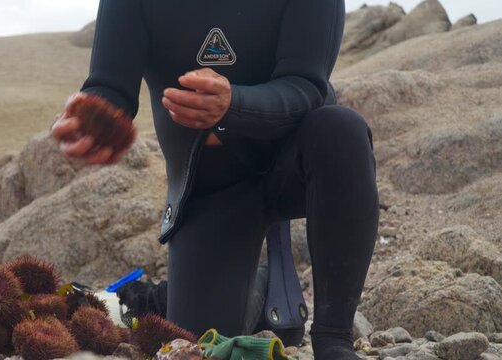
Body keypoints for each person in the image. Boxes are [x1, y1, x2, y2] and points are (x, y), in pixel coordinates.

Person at [51, 0, 379, 358]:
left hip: (296, 160)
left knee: (342, 131)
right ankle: (259, 281)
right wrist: (95, 117)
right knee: (198, 342)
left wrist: (233, 104)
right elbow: (111, 85)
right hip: (210, 186)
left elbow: (306, 86)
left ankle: (334, 338)